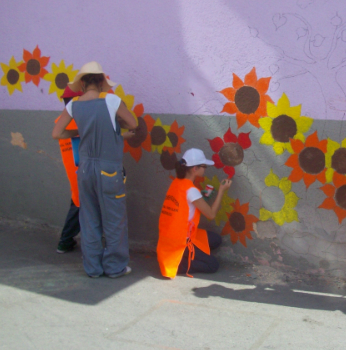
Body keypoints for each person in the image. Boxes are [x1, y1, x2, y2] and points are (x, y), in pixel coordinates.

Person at [52, 62, 138, 278]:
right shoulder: (110, 100)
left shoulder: (73, 104)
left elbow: (57, 133)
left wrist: (77, 135)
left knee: (89, 219)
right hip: (109, 169)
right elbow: (132, 122)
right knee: (114, 219)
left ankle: (92, 268)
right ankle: (114, 267)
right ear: (101, 82)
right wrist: (116, 127)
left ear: (82, 83)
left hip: (85, 169)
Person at [157, 148, 232, 279]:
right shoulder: (192, 191)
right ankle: (178, 263)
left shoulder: (177, 183)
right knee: (212, 265)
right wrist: (221, 191)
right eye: (204, 166)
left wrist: (200, 198)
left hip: (170, 237)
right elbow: (211, 215)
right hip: (180, 240)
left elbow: (187, 202)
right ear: (194, 169)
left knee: (216, 240)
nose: (205, 169)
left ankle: (182, 255)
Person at [55, 86, 83, 253]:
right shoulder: (78, 120)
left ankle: (66, 241)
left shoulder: (62, 120)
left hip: (73, 170)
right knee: (79, 205)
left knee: (77, 202)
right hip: (81, 170)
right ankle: (65, 241)